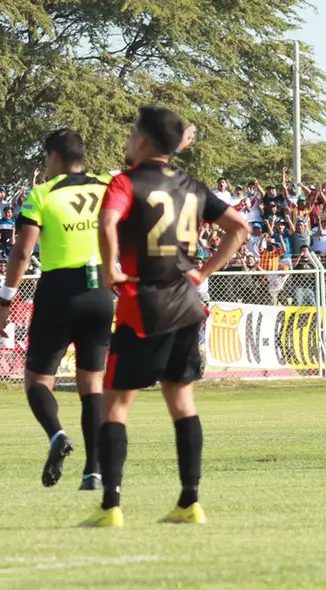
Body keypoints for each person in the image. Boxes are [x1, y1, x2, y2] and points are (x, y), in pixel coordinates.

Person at [81, 106, 249, 528]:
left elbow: (106, 222)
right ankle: (190, 502)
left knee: (116, 405)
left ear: (142, 141)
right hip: (187, 305)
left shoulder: (126, 182)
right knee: (183, 402)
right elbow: (240, 227)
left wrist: (110, 268)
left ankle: (110, 508)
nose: (128, 137)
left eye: (132, 131)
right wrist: (204, 273)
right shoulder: (192, 186)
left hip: (144, 304)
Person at [0, 129, 115, 491]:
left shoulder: (41, 194)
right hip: (99, 292)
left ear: (53, 157)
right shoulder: (106, 186)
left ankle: (57, 435)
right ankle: (93, 473)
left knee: (37, 380)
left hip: (58, 292)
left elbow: (21, 253)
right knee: (92, 385)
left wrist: (5, 300)